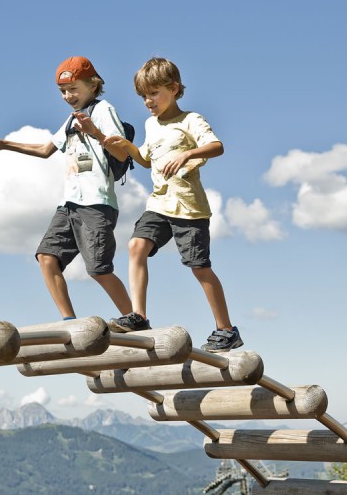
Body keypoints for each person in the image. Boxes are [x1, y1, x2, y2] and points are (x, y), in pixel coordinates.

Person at [103, 57, 243, 352]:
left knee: (200, 268)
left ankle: (226, 329)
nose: (147, 101)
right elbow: (146, 159)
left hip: (189, 208)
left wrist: (187, 155)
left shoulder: (190, 120)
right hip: (159, 203)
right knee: (136, 246)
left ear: (174, 88)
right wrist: (127, 147)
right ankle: (138, 316)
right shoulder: (150, 124)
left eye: (153, 93)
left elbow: (217, 146)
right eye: (143, 96)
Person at [0, 56, 133, 321]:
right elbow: (45, 150)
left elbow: (121, 154)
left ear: (93, 86)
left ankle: (135, 318)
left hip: (96, 202)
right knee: (46, 257)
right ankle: (70, 322)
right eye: (62, 91)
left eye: (73, 89)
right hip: (70, 203)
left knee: (98, 269)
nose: (67, 96)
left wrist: (94, 131)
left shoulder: (104, 109)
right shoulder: (72, 120)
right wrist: (4, 144)